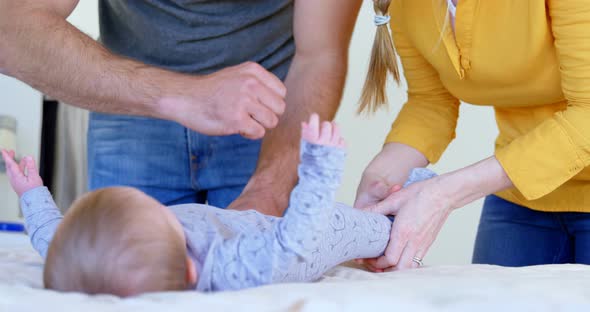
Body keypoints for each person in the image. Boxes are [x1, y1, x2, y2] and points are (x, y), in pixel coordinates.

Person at [1, 115, 435, 296]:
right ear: (192, 270)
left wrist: (32, 193)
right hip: (289, 243)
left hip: (249, 223)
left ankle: (400, 199)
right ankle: (412, 203)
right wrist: (321, 166)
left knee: (355, 217)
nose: (164, 208)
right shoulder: (229, 266)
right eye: (158, 213)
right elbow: (295, 239)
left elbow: (54, 241)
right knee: (356, 228)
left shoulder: (92, 257)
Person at [0, 1, 361, 215]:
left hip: (269, 119)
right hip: (133, 113)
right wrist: (182, 95)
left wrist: (271, 187)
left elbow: (320, 56)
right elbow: (10, 29)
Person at [354, 0, 590, 271]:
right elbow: (431, 103)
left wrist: (442, 195)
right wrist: (380, 178)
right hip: (519, 194)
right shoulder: (409, 6)